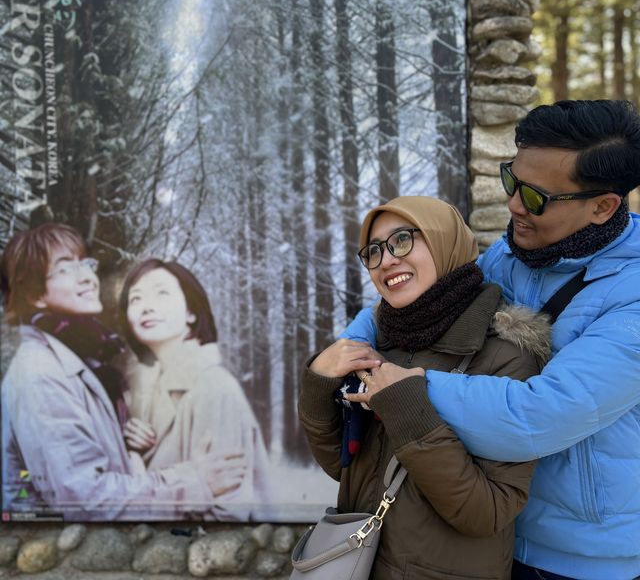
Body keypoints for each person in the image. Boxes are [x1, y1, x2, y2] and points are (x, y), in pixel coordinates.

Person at [342, 100, 640, 580]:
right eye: (511, 181)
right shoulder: (514, 251)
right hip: (493, 537)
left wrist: (409, 386)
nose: (515, 205)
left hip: (583, 558)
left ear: (603, 206)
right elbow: (433, 301)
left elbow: (538, 416)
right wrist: (351, 344)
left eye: (537, 197)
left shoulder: (632, 297)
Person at [299, 196, 551, 580]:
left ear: (443, 240)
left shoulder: (504, 357)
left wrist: (407, 410)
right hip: (363, 563)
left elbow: (488, 512)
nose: (386, 261)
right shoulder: (382, 344)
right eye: (373, 251)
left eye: (401, 241)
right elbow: (344, 467)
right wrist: (318, 382)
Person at [0, 223, 235, 520]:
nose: (87, 277)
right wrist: (192, 483)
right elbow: (85, 498)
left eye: (85, 263)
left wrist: (127, 445)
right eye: (66, 268)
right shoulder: (41, 373)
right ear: (35, 295)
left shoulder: (78, 359)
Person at [119, 258, 272, 521]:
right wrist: (131, 450)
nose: (146, 307)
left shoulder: (213, 387)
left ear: (192, 312)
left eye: (162, 293)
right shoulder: (145, 389)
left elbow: (229, 510)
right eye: (136, 299)